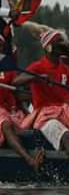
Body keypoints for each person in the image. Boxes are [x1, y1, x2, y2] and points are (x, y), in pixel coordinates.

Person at [13, 30, 69, 184]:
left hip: (64, 110)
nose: (62, 45)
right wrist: (37, 77)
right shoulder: (38, 66)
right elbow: (16, 81)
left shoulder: (64, 67)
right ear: (48, 47)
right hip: (46, 116)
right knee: (65, 136)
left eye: (62, 41)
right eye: (58, 42)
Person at [0, 34, 44, 172]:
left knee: (37, 119)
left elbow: (17, 94)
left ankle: (41, 154)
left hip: (9, 110)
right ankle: (30, 160)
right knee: (6, 124)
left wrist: (34, 97)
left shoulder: (8, 67)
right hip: (2, 114)